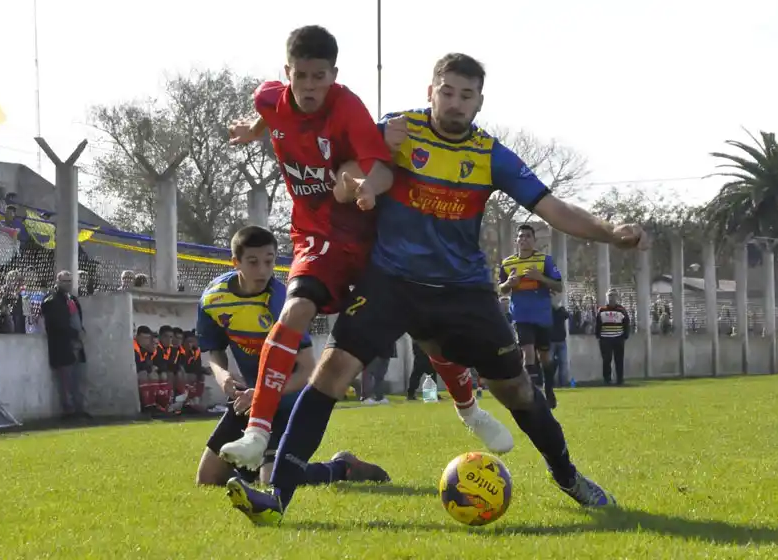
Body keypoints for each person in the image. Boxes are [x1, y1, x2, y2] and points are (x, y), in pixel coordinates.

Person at [226, 53, 648, 525]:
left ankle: (568, 476)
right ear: (431, 92)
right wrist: (357, 183)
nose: (454, 103)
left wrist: (610, 230)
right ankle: (276, 497)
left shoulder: (490, 155)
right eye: (446, 91)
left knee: (517, 390)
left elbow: (553, 208)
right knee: (330, 373)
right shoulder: (399, 129)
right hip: (390, 282)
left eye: (465, 95)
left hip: (462, 291)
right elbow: (350, 164)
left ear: (479, 102)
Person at [220, 26, 511, 470]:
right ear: (287, 73)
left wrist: (365, 187)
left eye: (320, 76)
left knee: (429, 335)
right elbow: (269, 111)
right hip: (316, 236)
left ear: (334, 75)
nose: (311, 86)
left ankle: (470, 410)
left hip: (371, 238)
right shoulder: (267, 98)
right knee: (294, 311)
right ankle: (257, 433)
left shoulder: (349, 108)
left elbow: (383, 168)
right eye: (302, 76)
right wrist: (254, 128)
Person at [196, 225, 388, 487]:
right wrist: (223, 376)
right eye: (253, 262)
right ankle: (253, 467)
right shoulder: (213, 299)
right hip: (248, 402)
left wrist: (262, 393)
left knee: (272, 481)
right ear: (235, 262)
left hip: (287, 403)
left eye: (269, 261)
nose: (263, 270)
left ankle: (343, 467)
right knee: (208, 480)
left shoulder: (284, 303)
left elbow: (307, 370)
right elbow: (214, 350)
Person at [499, 224, 563, 408]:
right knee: (528, 354)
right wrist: (509, 283)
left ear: (534, 240)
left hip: (542, 315)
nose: (524, 239)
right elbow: (501, 288)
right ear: (516, 240)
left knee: (545, 357)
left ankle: (549, 390)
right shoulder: (508, 263)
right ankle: (534, 396)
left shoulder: (545, 261)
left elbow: (558, 286)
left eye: (527, 236)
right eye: (521, 236)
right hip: (520, 315)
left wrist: (540, 277)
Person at [40, 270, 88, 419]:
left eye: (69, 281)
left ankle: (79, 409)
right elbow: (57, 324)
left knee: (77, 378)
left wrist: (81, 332)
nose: (67, 284)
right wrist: (75, 333)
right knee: (66, 380)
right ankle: (69, 411)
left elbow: (77, 319)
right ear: (57, 281)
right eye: (64, 281)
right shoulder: (52, 300)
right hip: (62, 345)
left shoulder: (72, 299)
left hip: (76, 345)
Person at [595, 288, 631, 385]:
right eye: (610, 296)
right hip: (605, 339)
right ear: (607, 297)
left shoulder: (621, 310)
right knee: (607, 359)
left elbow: (626, 323)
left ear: (617, 298)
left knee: (619, 360)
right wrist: (598, 336)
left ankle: (620, 379)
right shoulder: (601, 310)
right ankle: (607, 379)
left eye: (614, 296)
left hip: (618, 338)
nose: (611, 298)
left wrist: (625, 336)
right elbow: (598, 324)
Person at [550, 293, 570, 388]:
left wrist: (557, 307)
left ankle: (563, 383)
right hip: (550, 341)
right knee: (549, 363)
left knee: (563, 362)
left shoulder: (560, 309)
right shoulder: (547, 310)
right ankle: (550, 383)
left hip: (561, 340)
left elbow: (566, 316)